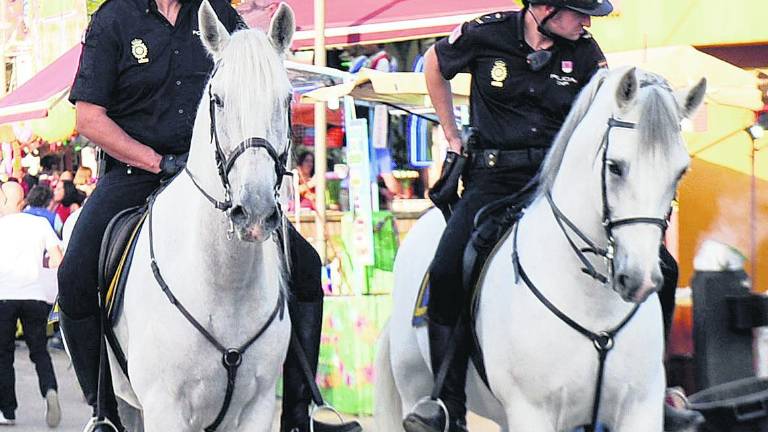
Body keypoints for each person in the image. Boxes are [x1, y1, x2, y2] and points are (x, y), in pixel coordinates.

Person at [58, 1, 359, 431]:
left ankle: (301, 414)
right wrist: (156, 161)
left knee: (307, 268)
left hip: (217, 177)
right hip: (134, 173)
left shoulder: (217, 12)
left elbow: (251, 85)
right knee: (74, 276)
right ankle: (102, 412)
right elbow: (88, 117)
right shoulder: (114, 18)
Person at [403, 1, 702, 432]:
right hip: (494, 180)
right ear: (544, 7)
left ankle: (658, 385)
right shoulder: (486, 33)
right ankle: (446, 401)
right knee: (449, 264)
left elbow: (609, 113)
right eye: (579, 12)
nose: (586, 22)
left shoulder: (585, 53)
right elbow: (434, 62)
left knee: (665, 268)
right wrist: (451, 133)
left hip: (557, 179)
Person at [0, 182, 63, 427]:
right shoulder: (40, 224)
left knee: (4, 356)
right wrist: (39, 266)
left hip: (4, 296)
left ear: (6, 201)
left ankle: (7, 411)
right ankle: (49, 389)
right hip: (36, 296)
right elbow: (57, 259)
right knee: (39, 351)